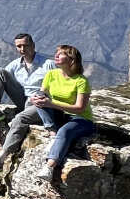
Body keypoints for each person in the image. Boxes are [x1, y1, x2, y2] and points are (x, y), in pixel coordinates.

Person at [0, 34, 54, 166]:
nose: (22, 49)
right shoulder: (16, 65)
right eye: (19, 46)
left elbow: (61, 85)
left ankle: (0, 159)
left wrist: (48, 100)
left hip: (39, 103)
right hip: (22, 98)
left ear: (33, 45)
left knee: (19, 119)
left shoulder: (48, 64)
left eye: (25, 45)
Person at [33, 43, 94, 188]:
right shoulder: (51, 74)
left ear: (71, 59)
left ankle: (49, 167)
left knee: (65, 131)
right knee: (39, 99)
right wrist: (36, 98)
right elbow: (42, 93)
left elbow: (80, 108)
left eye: (61, 54)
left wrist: (51, 104)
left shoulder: (81, 81)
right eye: (56, 53)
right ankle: (52, 133)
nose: (56, 55)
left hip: (81, 119)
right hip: (61, 115)